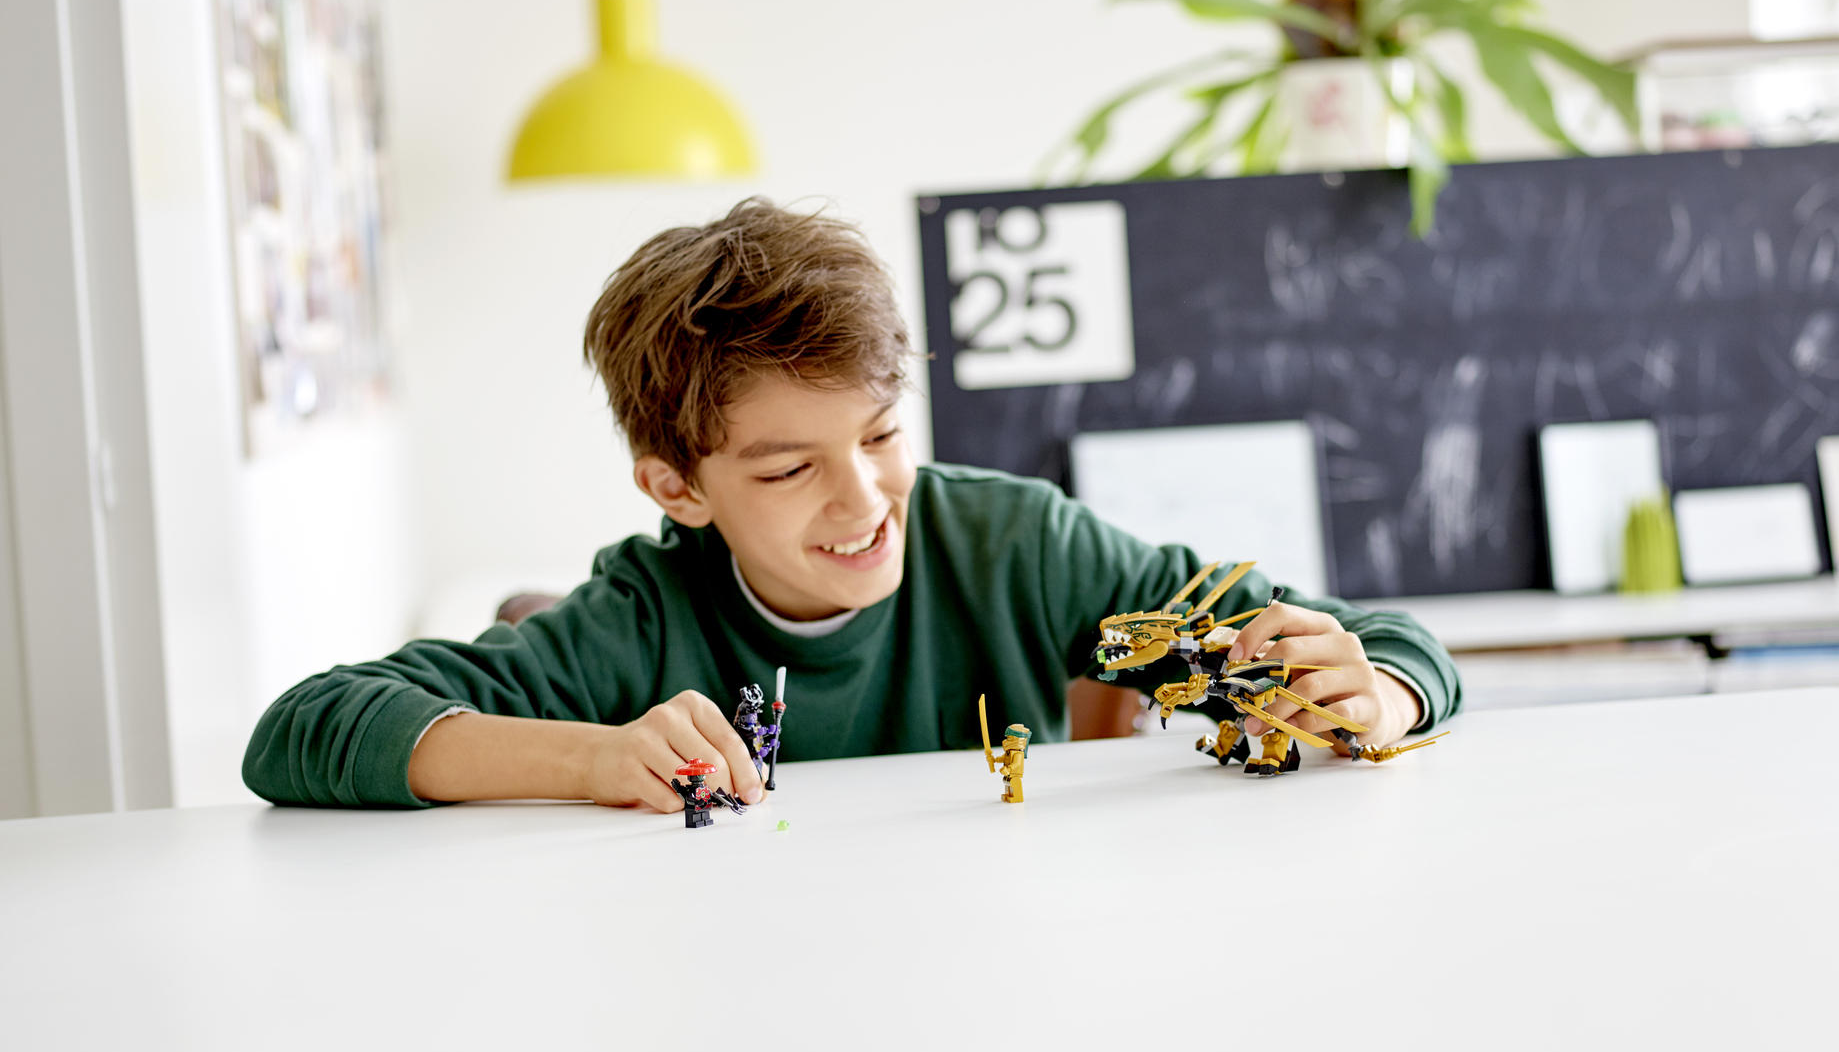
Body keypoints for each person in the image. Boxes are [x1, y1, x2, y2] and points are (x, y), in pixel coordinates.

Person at [242, 199, 1462, 813]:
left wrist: (1376, 691)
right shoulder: (641, 616)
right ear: (676, 486)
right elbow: (303, 729)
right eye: (787, 469)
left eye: (880, 435)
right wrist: (594, 756)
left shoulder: (1014, 545)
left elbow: (1395, 647)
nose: (865, 496)